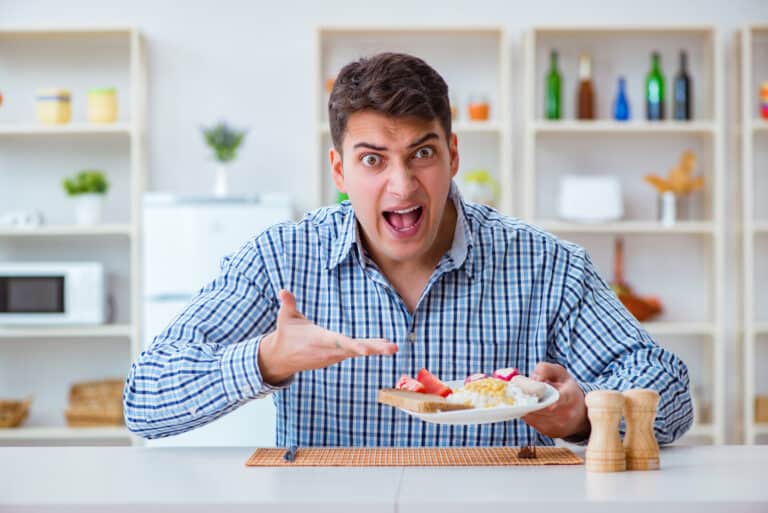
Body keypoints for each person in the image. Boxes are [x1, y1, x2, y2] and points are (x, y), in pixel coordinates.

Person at [124, 52, 693, 447]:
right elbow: (143, 398)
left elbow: (670, 394)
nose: (401, 186)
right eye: (373, 160)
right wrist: (264, 361)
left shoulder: (547, 266)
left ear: (453, 154)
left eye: (422, 154)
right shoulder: (280, 260)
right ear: (339, 170)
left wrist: (584, 414)